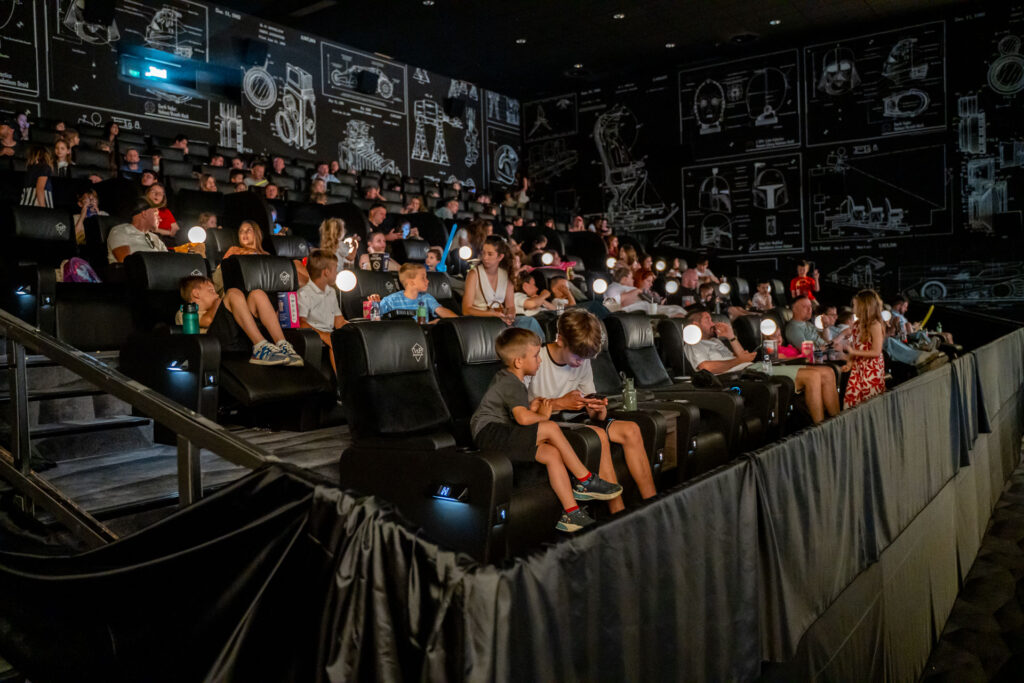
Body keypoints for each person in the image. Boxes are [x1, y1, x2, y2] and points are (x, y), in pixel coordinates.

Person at [471, 327, 622, 532]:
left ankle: (572, 513)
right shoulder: (511, 381)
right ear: (519, 362)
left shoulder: (510, 379)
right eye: (535, 356)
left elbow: (519, 412)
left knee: (551, 454)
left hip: (501, 432)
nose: (540, 360)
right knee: (549, 427)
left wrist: (532, 408)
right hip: (489, 433)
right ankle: (585, 480)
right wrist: (542, 416)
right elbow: (523, 419)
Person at [526, 309, 657, 513]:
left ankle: (653, 504)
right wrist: (560, 403)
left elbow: (594, 412)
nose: (581, 362)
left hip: (577, 419)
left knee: (631, 430)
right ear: (560, 340)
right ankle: (618, 513)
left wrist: (598, 409)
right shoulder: (536, 359)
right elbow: (522, 409)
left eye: (586, 357)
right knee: (597, 435)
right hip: (548, 425)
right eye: (577, 356)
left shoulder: (583, 361)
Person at [683, 310, 840, 424]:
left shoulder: (716, 341)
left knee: (827, 372)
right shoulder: (693, 343)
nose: (713, 323)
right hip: (742, 376)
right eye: (708, 320)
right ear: (695, 325)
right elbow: (706, 368)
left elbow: (742, 356)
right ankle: (822, 430)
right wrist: (738, 361)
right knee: (813, 376)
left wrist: (731, 336)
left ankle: (837, 424)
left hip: (752, 368)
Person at [179, 275, 302, 367]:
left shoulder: (217, 306)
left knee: (257, 294)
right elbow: (208, 320)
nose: (216, 294)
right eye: (211, 291)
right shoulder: (184, 311)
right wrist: (219, 301)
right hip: (215, 345)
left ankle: (283, 345)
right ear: (196, 294)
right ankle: (260, 347)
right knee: (233, 293)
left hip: (241, 338)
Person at [462, 235, 544, 337]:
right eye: (483, 253)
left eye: (490, 254)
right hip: (481, 320)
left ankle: (541, 346)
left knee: (530, 322)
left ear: (500, 257)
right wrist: (493, 314)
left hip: (500, 319)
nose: (485, 257)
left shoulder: (506, 274)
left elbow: (510, 306)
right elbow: (466, 310)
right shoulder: (474, 274)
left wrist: (510, 316)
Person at [297, 250, 347, 373]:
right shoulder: (304, 293)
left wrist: (355, 330)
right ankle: (343, 383)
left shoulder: (331, 292)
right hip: (313, 335)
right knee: (335, 343)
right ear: (326, 272)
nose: (337, 273)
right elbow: (301, 322)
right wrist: (324, 335)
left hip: (330, 333)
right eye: (335, 269)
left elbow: (339, 321)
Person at [841, 290, 886, 408]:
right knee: (852, 399)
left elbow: (876, 351)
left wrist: (853, 352)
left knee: (870, 401)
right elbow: (855, 346)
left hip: (872, 368)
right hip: (857, 368)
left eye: (855, 305)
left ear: (864, 307)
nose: (853, 309)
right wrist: (849, 363)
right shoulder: (856, 325)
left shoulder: (875, 325)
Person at [379, 263, 457, 321]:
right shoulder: (391, 300)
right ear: (411, 283)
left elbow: (441, 311)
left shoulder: (426, 297)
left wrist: (459, 321)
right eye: (423, 278)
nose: (428, 281)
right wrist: (375, 306)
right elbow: (376, 316)